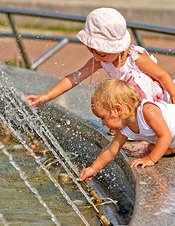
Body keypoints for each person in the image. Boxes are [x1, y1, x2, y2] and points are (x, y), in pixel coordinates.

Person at [27, 7, 175, 108]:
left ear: (117, 47)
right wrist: (47, 96)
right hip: (133, 102)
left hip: (155, 102)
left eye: (102, 53)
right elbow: (75, 78)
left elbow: (161, 75)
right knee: (106, 95)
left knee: (122, 87)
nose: (97, 57)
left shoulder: (135, 58)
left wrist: (173, 94)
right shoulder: (101, 61)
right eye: (92, 51)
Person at [79, 79, 175, 181]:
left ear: (118, 110)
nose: (102, 123)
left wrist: (150, 159)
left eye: (103, 117)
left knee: (156, 149)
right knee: (153, 148)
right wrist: (93, 168)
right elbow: (111, 151)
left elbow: (165, 136)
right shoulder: (124, 127)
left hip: (168, 136)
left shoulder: (147, 111)